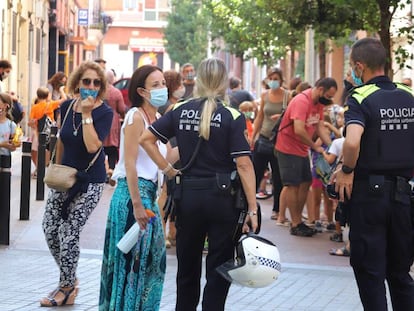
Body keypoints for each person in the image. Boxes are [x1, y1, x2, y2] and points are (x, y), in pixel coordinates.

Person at [140, 58, 258, 311]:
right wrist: (253, 207)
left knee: (187, 266)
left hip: (188, 197)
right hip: (223, 199)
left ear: (200, 81)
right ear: (224, 82)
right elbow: (244, 164)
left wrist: (167, 169)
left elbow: (146, 138)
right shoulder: (232, 115)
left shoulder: (180, 109)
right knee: (219, 268)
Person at [334, 37, 414, 310]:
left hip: (370, 197)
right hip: (405, 196)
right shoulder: (409, 95)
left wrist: (346, 170)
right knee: (400, 274)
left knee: (371, 274)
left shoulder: (359, 97)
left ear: (359, 65)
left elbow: (353, 141)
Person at [39, 61, 113, 307]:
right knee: (50, 228)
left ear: (101, 87)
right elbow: (61, 140)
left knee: (69, 232)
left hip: (90, 182)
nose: (91, 87)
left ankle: (67, 288)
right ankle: (69, 278)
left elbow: (93, 146)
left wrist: (88, 114)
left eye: (96, 83)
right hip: (66, 178)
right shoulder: (66, 106)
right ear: (77, 83)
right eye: (86, 82)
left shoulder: (104, 112)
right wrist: (56, 170)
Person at [99, 64, 171, 310]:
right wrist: (138, 205)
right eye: (156, 85)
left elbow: (167, 160)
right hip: (132, 197)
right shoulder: (134, 117)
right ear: (141, 91)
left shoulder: (159, 120)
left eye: (163, 83)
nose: (163, 88)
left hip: (150, 196)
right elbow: (129, 164)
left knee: (152, 262)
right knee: (131, 264)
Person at [275, 77, 336, 237]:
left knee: (305, 181)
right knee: (293, 184)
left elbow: (320, 126)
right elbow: (299, 130)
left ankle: (298, 222)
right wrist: (315, 146)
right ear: (321, 89)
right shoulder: (302, 101)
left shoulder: (319, 105)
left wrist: (331, 146)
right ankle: (295, 223)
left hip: (301, 149)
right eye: (329, 96)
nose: (329, 100)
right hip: (287, 148)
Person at [251, 67, 290, 220]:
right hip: (263, 137)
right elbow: (260, 116)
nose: (273, 81)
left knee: (278, 175)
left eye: (276, 78)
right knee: (256, 172)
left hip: (279, 140)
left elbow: (291, 115)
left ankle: (277, 210)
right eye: (271, 78)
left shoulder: (288, 96)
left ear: (281, 80)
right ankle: (249, 204)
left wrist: (281, 116)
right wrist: (253, 136)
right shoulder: (265, 95)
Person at [28, 86, 66, 174]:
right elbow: (64, 99)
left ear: (37, 95)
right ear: (47, 95)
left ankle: (38, 167)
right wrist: (61, 90)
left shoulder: (35, 107)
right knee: (48, 150)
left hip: (37, 132)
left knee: (34, 150)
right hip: (50, 132)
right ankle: (42, 167)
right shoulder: (50, 104)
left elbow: (30, 122)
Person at [102, 69, 126, 186]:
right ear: (112, 79)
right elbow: (121, 109)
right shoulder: (116, 92)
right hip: (113, 122)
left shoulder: (99, 91)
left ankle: (103, 171)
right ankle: (111, 169)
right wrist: (122, 116)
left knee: (100, 148)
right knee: (112, 149)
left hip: (100, 122)